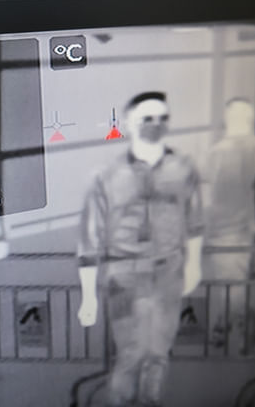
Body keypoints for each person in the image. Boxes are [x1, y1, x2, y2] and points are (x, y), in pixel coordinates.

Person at [77, 91, 204, 407]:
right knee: (132, 353)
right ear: (129, 122)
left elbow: (196, 220)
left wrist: (194, 267)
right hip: (124, 274)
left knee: (159, 353)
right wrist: (89, 295)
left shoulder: (183, 168)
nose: (155, 124)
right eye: (147, 118)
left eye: (163, 118)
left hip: (168, 271)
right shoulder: (106, 176)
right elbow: (89, 237)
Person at [204, 98, 255, 352]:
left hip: (225, 226)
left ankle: (240, 323)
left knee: (230, 280)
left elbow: (212, 191)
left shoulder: (217, 152)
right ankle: (227, 322)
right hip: (251, 224)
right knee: (235, 279)